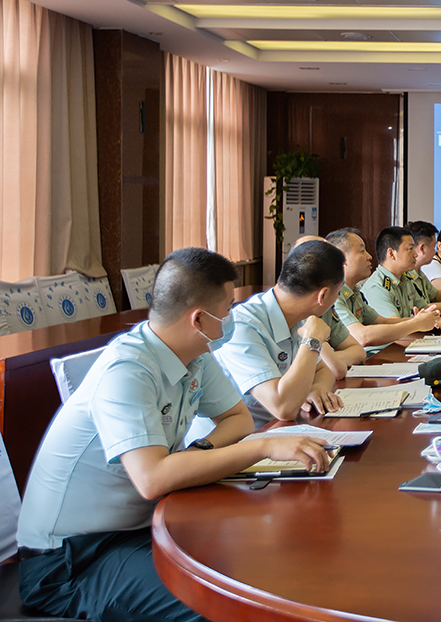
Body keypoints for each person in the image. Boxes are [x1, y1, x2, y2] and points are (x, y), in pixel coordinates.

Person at [17, 248, 330, 622]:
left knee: (268, 558)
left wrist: (198, 451)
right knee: (222, 606)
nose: (230, 319)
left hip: (142, 527)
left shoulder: (194, 354)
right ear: (199, 319)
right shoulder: (127, 370)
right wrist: (263, 447)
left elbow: (238, 419)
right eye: (227, 310)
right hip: (72, 558)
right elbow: (152, 479)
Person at [213, 240, 347, 425]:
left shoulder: (299, 316)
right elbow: (283, 408)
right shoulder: (243, 326)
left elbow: (323, 369)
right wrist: (312, 340)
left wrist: (317, 388)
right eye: (338, 292)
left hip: (277, 430)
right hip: (239, 438)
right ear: (322, 295)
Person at [327, 227, 441, 350]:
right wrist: (415, 323)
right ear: (342, 258)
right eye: (362, 251)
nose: (369, 256)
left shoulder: (354, 292)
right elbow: (362, 337)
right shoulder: (333, 296)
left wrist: (421, 320)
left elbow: (382, 321)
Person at [362, 226, 441, 335]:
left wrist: (436, 320)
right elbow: (393, 329)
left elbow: (425, 309)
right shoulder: (377, 288)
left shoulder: (405, 280)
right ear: (391, 254)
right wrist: (437, 322)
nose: (415, 254)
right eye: (410, 249)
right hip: (392, 344)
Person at [291, 234, 368, 379]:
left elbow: (358, 352)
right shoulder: (300, 310)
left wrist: (320, 361)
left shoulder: (324, 306)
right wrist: (326, 361)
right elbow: (336, 368)